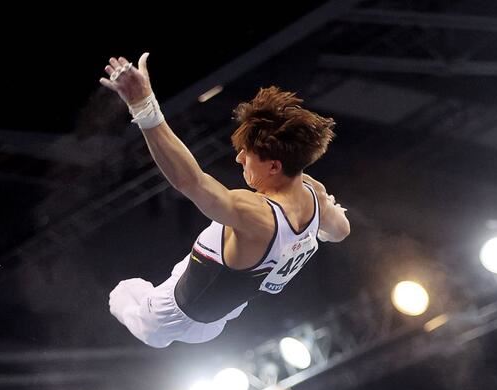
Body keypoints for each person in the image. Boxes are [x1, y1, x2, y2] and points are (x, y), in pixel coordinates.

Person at [99, 53, 350, 348]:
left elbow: (190, 181)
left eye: (248, 154)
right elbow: (340, 231)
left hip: (167, 318)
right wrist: (313, 229)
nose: (239, 158)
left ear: (274, 166)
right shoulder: (314, 195)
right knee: (202, 268)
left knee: (122, 294)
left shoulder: (255, 214)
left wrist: (144, 106)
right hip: (218, 320)